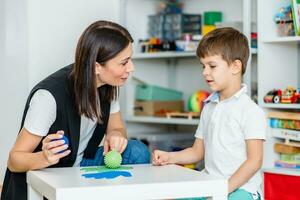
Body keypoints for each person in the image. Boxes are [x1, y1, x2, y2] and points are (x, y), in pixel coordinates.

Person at [1, 20, 150, 200]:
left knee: (137, 151)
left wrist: (116, 135)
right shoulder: (48, 97)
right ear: (96, 66)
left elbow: (117, 128)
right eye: (124, 62)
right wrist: (45, 157)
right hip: (49, 172)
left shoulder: (109, 85)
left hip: (80, 164)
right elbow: (14, 160)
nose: (131, 68)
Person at [152, 27, 266, 200]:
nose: (205, 72)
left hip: (242, 189)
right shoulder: (210, 106)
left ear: (235, 66)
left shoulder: (250, 111)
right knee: (167, 197)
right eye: (203, 66)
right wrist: (170, 157)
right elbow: (197, 152)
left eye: (212, 66)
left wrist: (224, 189)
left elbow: (254, 161)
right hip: (210, 184)